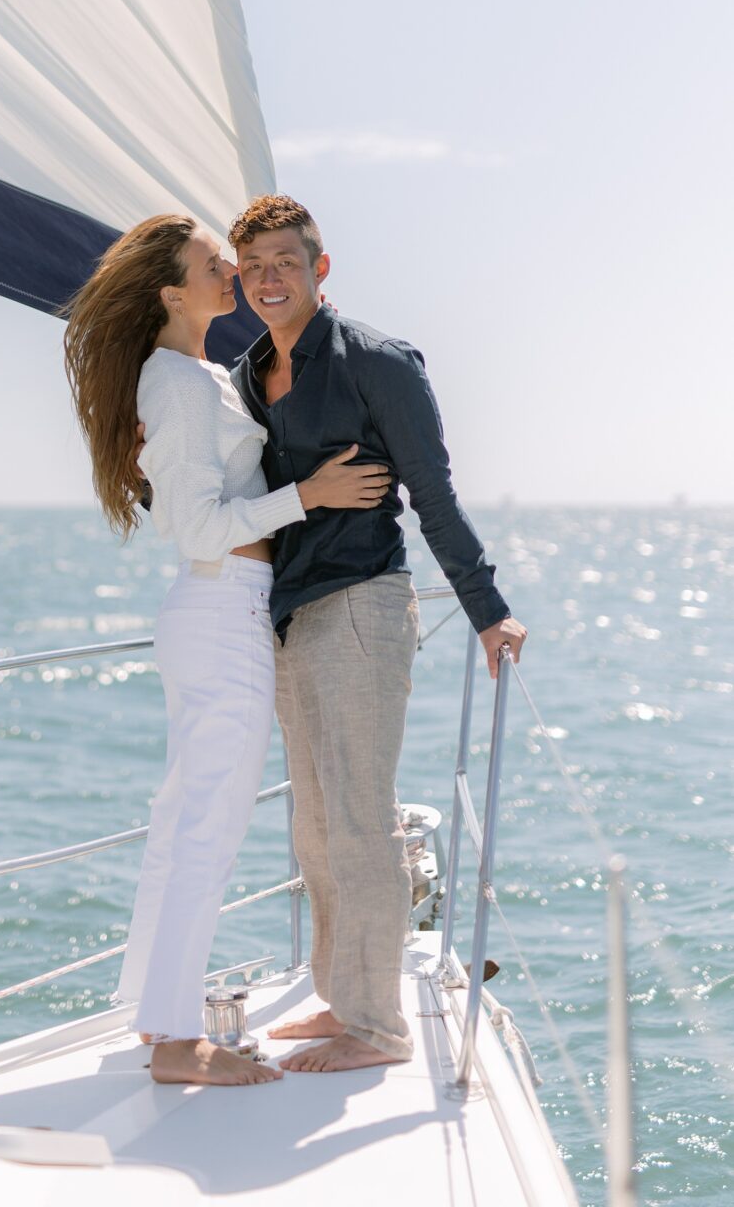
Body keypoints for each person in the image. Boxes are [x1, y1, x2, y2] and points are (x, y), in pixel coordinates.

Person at [62, 212, 388, 1087]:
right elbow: (199, 527)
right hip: (221, 607)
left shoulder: (199, 375)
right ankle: (176, 1042)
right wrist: (310, 494)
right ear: (172, 293)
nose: (233, 273)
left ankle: (152, 1013)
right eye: (215, 263)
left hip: (221, 609)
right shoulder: (174, 383)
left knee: (184, 823)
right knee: (205, 830)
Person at [224, 194, 528, 1074]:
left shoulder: (376, 361)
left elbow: (432, 493)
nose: (268, 279)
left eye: (284, 262)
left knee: (359, 818)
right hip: (286, 614)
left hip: (360, 603)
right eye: (253, 268)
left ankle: (378, 1027)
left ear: (319, 268)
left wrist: (485, 610)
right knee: (315, 825)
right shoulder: (247, 372)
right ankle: (340, 995)